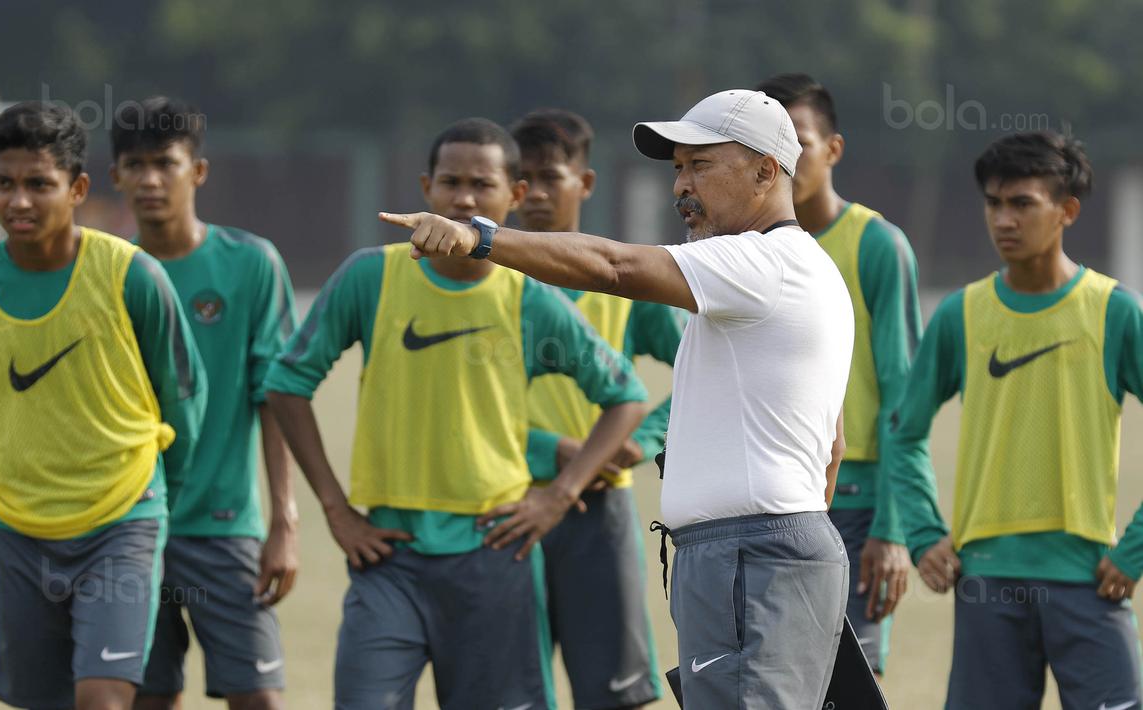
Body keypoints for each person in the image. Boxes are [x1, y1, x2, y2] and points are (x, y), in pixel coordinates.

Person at [383, 89, 853, 707]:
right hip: (756, 552)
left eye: (701, 165)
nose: (681, 186)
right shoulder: (797, 268)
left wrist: (482, 238)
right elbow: (833, 445)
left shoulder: (762, 263)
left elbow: (613, 266)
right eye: (678, 168)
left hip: (751, 553)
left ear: (767, 170)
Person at [264, 117, 648, 709]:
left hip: (493, 553)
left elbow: (623, 396)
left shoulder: (529, 297)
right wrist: (336, 510)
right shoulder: (372, 275)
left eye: (482, 184)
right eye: (450, 182)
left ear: (514, 196)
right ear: (426, 188)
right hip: (388, 555)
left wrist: (557, 496)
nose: (463, 197)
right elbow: (287, 384)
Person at [0, 101, 207, 710]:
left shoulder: (131, 275)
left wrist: (165, 492)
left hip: (122, 518)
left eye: (39, 184)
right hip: (19, 529)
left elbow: (183, 395)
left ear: (78, 188)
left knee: (103, 699)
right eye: (4, 184)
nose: (19, 201)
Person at [885, 131, 1143, 708]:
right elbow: (904, 432)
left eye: (1022, 203)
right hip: (986, 584)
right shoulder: (962, 314)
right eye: (993, 203)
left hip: (1090, 579)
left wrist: (1136, 551)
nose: (1003, 219)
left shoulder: (1114, 312)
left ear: (1066, 211)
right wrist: (924, 533)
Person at [109, 96, 299, 710]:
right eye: (134, 165)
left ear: (199, 171)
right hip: (128, 526)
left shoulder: (251, 264)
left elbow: (274, 395)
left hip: (224, 528)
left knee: (259, 698)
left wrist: (284, 522)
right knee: (147, 700)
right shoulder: (107, 272)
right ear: (115, 177)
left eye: (165, 162)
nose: (150, 179)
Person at [511, 108, 685, 709]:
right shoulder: (486, 281)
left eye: (549, 177)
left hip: (598, 512)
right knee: (513, 693)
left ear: (583, 184)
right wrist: (544, 448)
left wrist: (644, 440)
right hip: (504, 501)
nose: (533, 193)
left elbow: (700, 369)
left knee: (614, 694)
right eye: (521, 178)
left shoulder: (625, 281)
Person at [757, 73, 921, 676]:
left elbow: (906, 392)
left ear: (834, 149)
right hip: (768, 499)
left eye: (798, 140)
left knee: (848, 683)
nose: (785, 158)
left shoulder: (878, 245)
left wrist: (894, 528)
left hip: (857, 507)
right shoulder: (742, 250)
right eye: (767, 143)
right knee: (771, 678)